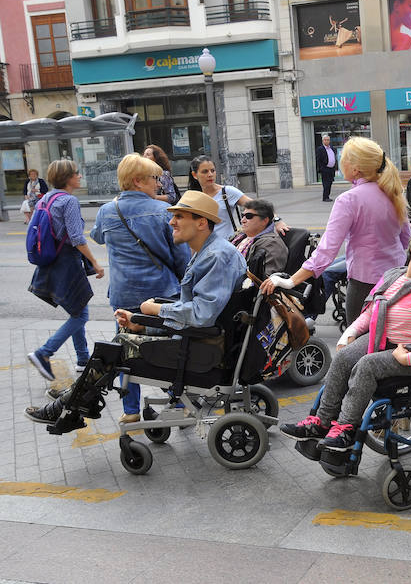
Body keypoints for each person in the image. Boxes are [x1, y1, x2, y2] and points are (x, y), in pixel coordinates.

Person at [25, 191, 247, 427]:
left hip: (201, 346)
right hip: (194, 337)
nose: (171, 221)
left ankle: (70, 405)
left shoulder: (216, 256)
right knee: (117, 342)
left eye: (179, 216)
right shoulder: (209, 251)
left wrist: (154, 311)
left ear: (201, 222)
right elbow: (197, 308)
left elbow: (202, 314)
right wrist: (141, 320)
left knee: (115, 349)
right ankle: (74, 402)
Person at [279, 226, 411, 451]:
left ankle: (346, 429)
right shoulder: (393, 276)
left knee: (367, 365)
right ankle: (321, 422)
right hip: (384, 339)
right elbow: (370, 313)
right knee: (342, 357)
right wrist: (349, 333)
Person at [261, 137, 410, 325]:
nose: (340, 162)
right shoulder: (393, 192)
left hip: (365, 283)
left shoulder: (349, 200)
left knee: (356, 342)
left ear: (355, 168)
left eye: (343, 158)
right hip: (397, 278)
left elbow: (327, 251)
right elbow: (405, 240)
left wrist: (291, 281)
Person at [89, 153, 191, 423]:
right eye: (154, 179)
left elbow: (98, 236)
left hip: (124, 294)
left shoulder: (106, 211)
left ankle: (131, 410)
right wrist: (187, 287)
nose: (159, 184)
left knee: (124, 350)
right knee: (168, 349)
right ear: (137, 181)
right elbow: (181, 257)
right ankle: (178, 402)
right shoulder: (162, 212)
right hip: (161, 294)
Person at [26, 160, 105, 382]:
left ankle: (82, 360)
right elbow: (77, 238)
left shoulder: (48, 198)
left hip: (51, 262)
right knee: (81, 316)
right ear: (67, 177)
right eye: (76, 173)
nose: (79, 176)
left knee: (77, 310)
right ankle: (44, 353)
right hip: (67, 263)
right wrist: (95, 263)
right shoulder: (68, 201)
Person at [187, 155, 289, 239]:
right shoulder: (192, 198)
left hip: (226, 247)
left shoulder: (227, 192)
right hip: (202, 249)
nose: (210, 175)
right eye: (205, 172)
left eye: (212, 171)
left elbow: (260, 207)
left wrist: (277, 221)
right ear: (195, 175)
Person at [229, 198, 288, 278]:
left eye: (249, 216)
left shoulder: (272, 244)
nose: (243, 220)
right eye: (242, 216)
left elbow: (264, 280)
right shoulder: (239, 237)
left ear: (264, 220)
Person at [316, 134, 337, 202]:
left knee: (330, 183)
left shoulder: (332, 148)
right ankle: (325, 197)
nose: (327, 141)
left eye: (328, 140)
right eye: (325, 140)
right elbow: (318, 160)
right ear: (322, 141)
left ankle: (327, 196)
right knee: (326, 184)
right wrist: (321, 168)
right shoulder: (320, 149)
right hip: (325, 169)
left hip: (331, 169)